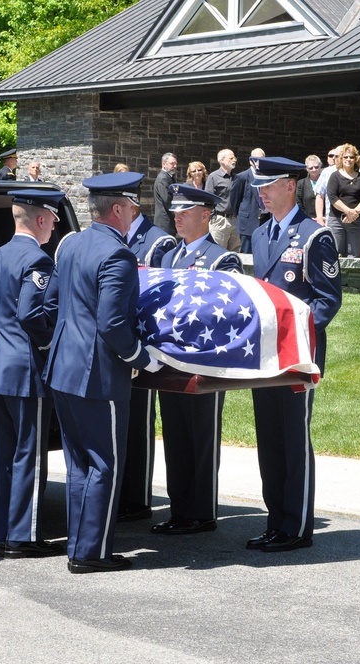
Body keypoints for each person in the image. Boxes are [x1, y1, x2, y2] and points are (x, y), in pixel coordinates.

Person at [43, 171, 163, 573]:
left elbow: (52, 303)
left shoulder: (71, 245)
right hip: (98, 376)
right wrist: (141, 358)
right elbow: (112, 323)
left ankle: (80, 546)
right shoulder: (119, 255)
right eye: (132, 207)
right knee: (104, 464)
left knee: (80, 463)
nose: (135, 213)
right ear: (117, 209)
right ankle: (92, 553)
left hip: (63, 369)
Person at [247, 156, 342, 552]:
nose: (262, 194)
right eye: (259, 188)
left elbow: (327, 300)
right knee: (269, 439)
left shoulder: (313, 236)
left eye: (268, 186)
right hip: (264, 356)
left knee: (292, 437)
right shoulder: (260, 234)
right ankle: (275, 522)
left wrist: (296, 335)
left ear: (290, 185)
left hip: (297, 355)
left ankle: (297, 526)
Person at [0, 189, 64, 559]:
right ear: (40, 220)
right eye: (52, 219)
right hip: (25, 368)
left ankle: (7, 531)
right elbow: (32, 315)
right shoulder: (39, 261)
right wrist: (51, 346)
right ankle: (24, 537)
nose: (54, 226)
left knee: (5, 454)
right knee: (29, 455)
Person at [149, 184, 243, 536]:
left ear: (206, 215)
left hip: (203, 363)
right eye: (175, 211)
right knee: (174, 435)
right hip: (170, 360)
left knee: (201, 436)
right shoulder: (170, 256)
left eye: (185, 212)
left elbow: (233, 309)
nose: (177, 217)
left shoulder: (222, 259)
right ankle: (179, 509)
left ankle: (201, 511)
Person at [118, 195, 177, 522]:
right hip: (119, 345)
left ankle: (136, 498)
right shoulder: (117, 236)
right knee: (123, 424)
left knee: (139, 422)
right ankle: (122, 493)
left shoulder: (158, 242)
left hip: (143, 346)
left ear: (132, 207)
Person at [325, 143, 360, 258]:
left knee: (354, 255)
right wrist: (348, 212)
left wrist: (354, 213)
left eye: (351, 157)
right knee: (335, 254)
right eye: (346, 157)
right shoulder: (334, 176)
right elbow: (332, 197)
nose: (349, 159)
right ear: (341, 159)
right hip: (336, 221)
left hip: (356, 221)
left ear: (356, 159)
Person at [229, 147, 267, 252]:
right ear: (250, 161)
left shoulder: (267, 177)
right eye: (256, 159)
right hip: (248, 223)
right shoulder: (242, 177)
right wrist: (242, 215)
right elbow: (235, 200)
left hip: (265, 222)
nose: (259, 162)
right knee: (247, 254)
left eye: (261, 159)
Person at [205, 149, 240, 251]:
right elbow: (208, 199)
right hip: (220, 221)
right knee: (217, 252)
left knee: (234, 254)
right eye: (231, 158)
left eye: (235, 158)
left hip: (234, 221)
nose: (234, 160)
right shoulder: (214, 177)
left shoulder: (236, 178)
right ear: (222, 160)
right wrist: (213, 217)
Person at [313, 145, 341, 226]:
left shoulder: (359, 172)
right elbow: (319, 195)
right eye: (332, 156)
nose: (334, 158)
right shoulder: (327, 172)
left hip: (354, 218)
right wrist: (320, 218)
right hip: (332, 218)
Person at [153, 152, 178, 236]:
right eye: (172, 163)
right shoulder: (163, 179)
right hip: (164, 223)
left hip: (168, 223)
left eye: (175, 164)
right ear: (164, 164)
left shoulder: (169, 178)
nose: (174, 166)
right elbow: (167, 200)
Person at [295, 154, 323, 219]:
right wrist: (307, 217)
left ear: (320, 166)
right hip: (307, 219)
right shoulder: (301, 183)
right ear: (306, 169)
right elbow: (298, 202)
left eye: (316, 167)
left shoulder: (326, 181)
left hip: (325, 219)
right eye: (311, 168)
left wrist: (322, 217)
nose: (314, 170)